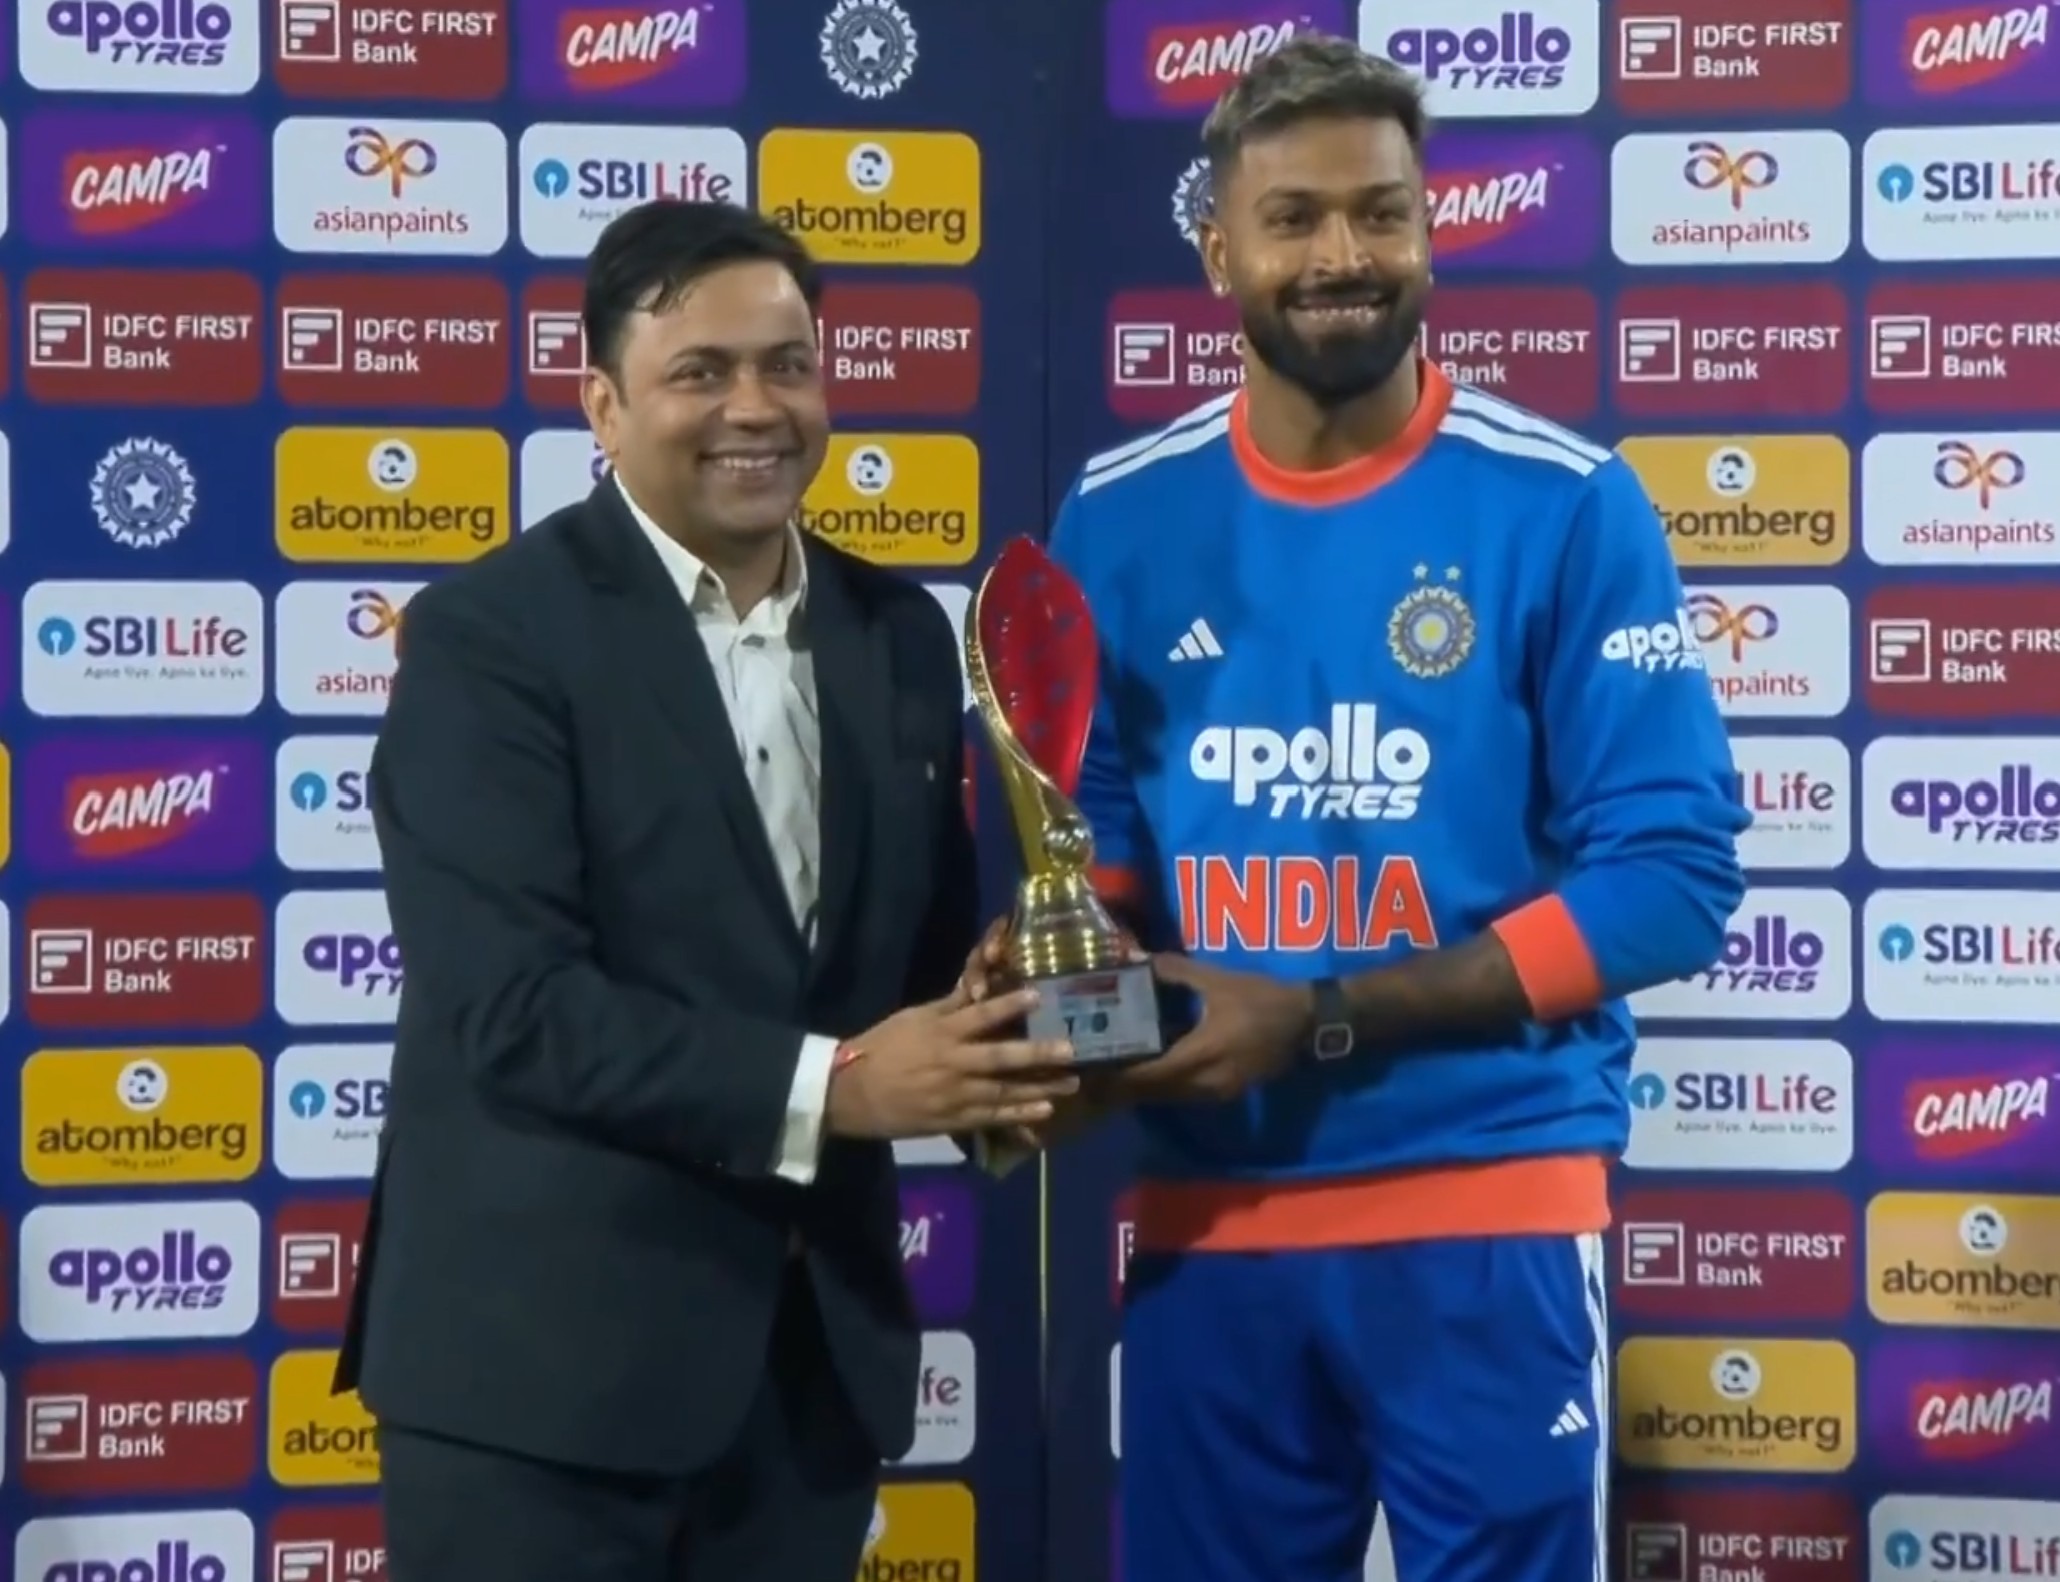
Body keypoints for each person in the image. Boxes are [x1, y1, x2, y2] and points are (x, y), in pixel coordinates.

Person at [1032, 36, 1748, 1582]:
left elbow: (1673, 875)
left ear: (1430, 230)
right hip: (1208, 1222)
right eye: (1293, 219)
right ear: (1218, 247)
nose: (1343, 256)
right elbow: (1089, 849)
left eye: (1381, 214)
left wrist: (1325, 1012)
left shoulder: (1563, 501)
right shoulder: (1117, 512)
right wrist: (1058, 984)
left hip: (1487, 1201)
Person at [338, 199, 1075, 1582]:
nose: (757, 406)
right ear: (603, 406)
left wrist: (1000, 1036)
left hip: (804, 1393)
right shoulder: (487, 639)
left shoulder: (902, 635)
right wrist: (846, 1084)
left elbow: (897, 978)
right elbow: (516, 1009)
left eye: (789, 364)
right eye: (700, 372)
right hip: (535, 1396)